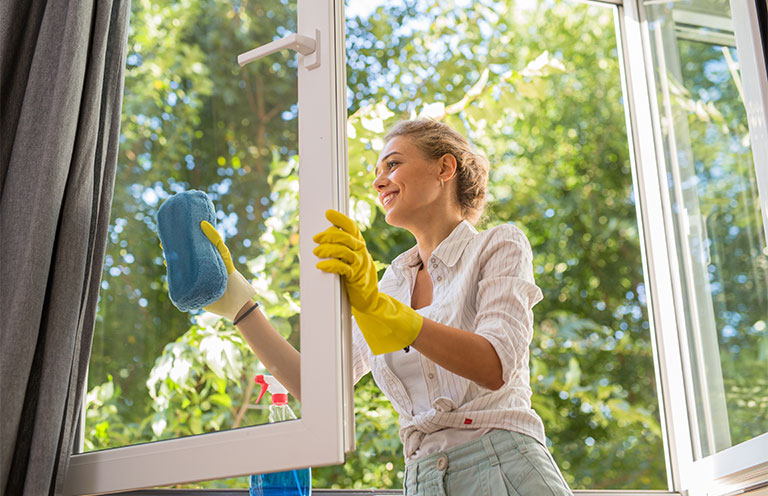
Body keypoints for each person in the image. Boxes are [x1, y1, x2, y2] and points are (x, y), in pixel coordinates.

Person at [197, 118, 572, 495]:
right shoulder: (390, 285)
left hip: (504, 467)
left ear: (444, 167)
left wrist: (382, 310)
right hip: (420, 479)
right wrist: (241, 309)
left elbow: (493, 366)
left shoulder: (498, 246)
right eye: (377, 172)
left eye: (392, 165)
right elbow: (320, 388)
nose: (378, 182)